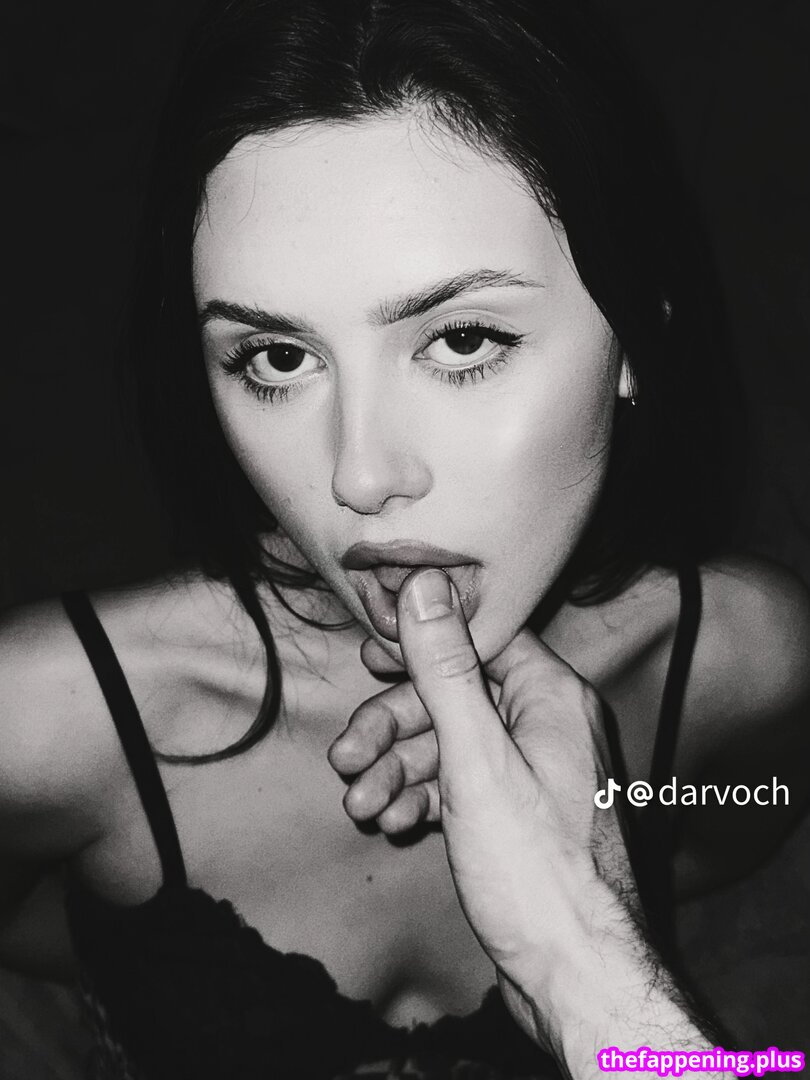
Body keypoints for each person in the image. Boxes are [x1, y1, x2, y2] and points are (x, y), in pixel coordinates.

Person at [1, 0, 808, 1077]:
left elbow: (735, 818)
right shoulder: (40, 720)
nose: (360, 474)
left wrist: (596, 923)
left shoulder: (745, 657)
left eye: (463, 339)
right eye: (277, 359)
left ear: (634, 342)